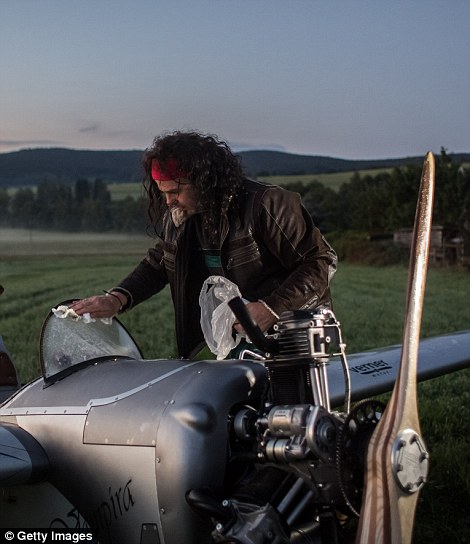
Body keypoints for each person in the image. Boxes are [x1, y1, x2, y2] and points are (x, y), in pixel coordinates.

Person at [70, 131, 337, 359]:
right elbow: (159, 264)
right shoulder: (180, 218)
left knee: (293, 415)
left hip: (297, 335)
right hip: (239, 339)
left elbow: (320, 261)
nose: (168, 201)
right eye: (163, 193)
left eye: (175, 191)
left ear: (204, 180)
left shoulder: (267, 203)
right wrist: (116, 299)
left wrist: (272, 308)